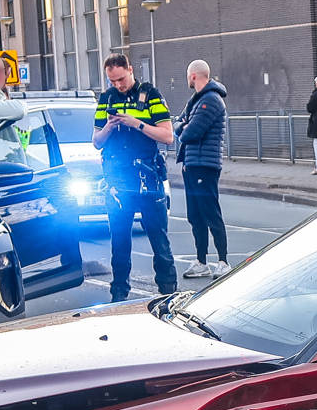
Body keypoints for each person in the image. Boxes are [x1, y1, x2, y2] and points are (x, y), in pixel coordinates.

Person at [92, 53, 178, 301]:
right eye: (112, 81)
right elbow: (96, 142)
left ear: (130, 70)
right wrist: (109, 126)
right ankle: (118, 295)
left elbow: (167, 136)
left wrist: (135, 123)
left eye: (120, 78)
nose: (117, 85)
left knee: (159, 241)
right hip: (118, 180)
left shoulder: (150, 95)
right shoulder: (106, 99)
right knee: (119, 243)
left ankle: (168, 293)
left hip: (147, 178)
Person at [175, 59, 230, 277]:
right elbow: (178, 123)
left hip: (205, 165)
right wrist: (184, 125)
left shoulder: (211, 100)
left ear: (193, 76)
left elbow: (189, 133)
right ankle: (201, 262)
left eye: (188, 75)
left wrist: (184, 126)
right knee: (195, 216)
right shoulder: (195, 101)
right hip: (191, 164)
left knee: (210, 213)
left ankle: (223, 262)